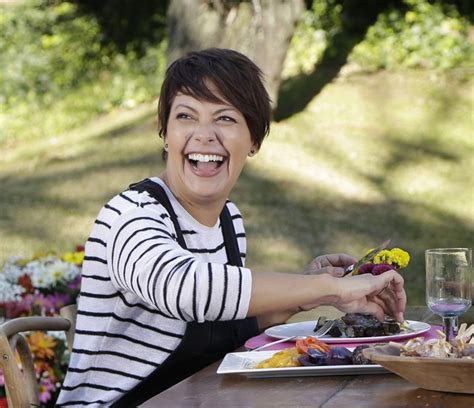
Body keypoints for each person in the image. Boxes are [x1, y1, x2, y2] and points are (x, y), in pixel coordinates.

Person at [56, 48, 406, 407]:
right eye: (186, 116)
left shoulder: (228, 221)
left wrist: (308, 294)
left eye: (224, 118)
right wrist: (331, 288)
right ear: (165, 134)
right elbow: (186, 289)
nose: (204, 135)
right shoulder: (131, 215)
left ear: (253, 140)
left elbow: (222, 324)